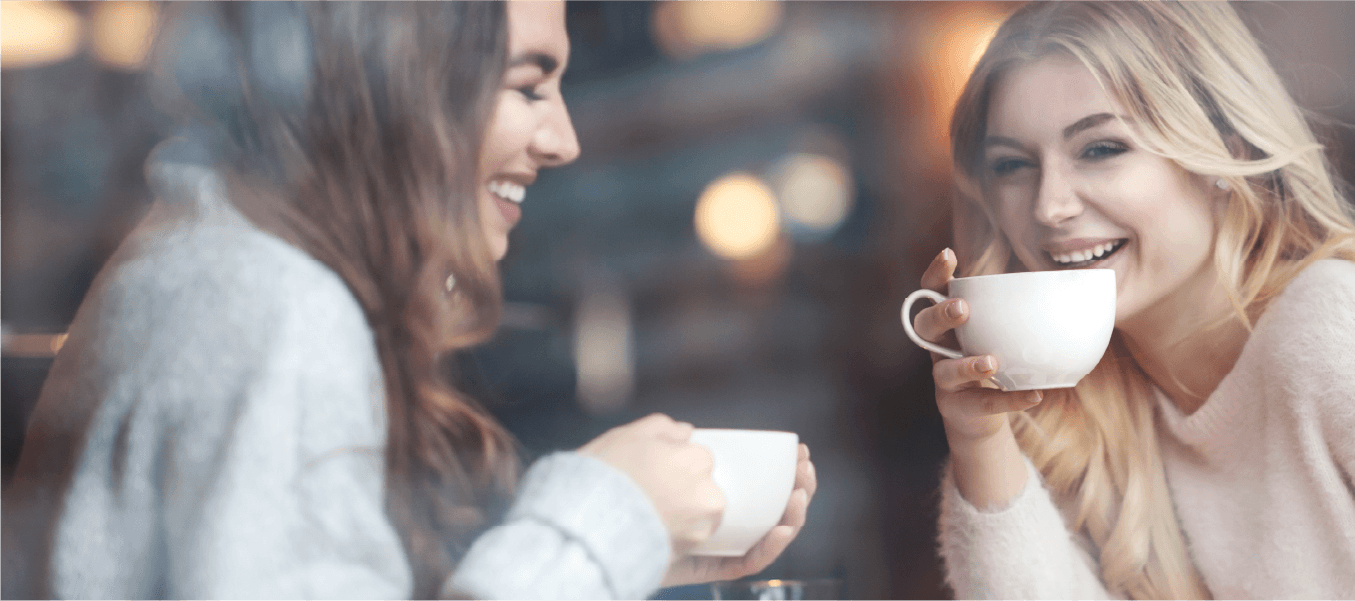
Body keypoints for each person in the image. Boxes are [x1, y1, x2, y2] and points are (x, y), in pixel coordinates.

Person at [0, 2, 815, 599]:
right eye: (528, 87)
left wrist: (641, 551)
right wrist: (603, 524)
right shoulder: (276, 311)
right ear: (404, 92)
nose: (565, 140)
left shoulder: (214, 267)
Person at [913, 2, 1355, 599]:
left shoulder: (1339, 324)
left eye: (1100, 149)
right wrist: (981, 440)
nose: (1049, 205)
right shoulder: (1090, 393)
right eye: (1012, 164)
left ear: (1222, 152)